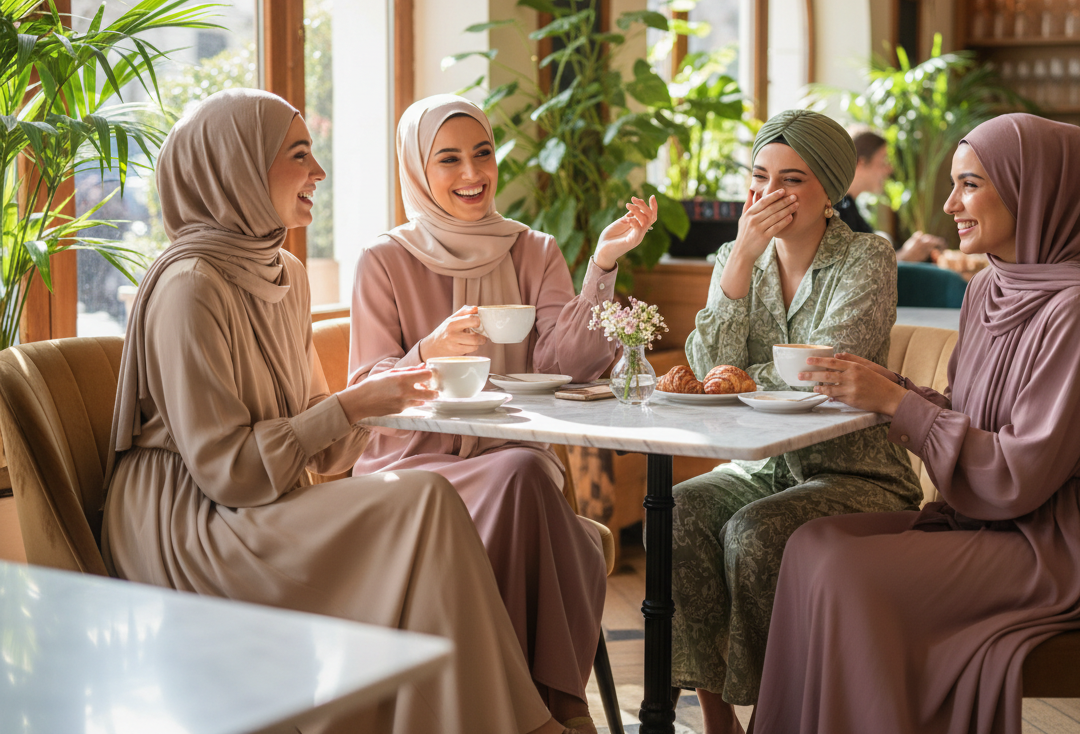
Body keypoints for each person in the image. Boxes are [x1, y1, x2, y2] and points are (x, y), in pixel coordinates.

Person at [102, 89, 577, 734]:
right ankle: (528, 724)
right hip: (193, 521)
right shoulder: (190, 286)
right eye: (299, 155)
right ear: (240, 168)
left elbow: (320, 451)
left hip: (263, 498)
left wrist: (361, 410)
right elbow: (227, 471)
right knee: (427, 500)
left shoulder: (285, 273)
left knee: (427, 505)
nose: (318, 173)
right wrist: (352, 405)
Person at [753, 114, 1080, 734]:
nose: (949, 204)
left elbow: (1024, 469)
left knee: (849, 572)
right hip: (992, 520)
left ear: (1032, 191)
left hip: (1056, 544)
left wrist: (894, 405)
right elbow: (971, 417)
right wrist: (891, 388)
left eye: (969, 184)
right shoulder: (988, 287)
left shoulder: (1079, 308)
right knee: (808, 546)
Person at [349, 95, 658, 734]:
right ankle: (554, 708)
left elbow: (569, 362)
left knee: (521, 472)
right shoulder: (384, 260)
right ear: (416, 168)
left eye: (483, 153)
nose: (472, 173)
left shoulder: (533, 250)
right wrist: (426, 353)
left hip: (513, 458)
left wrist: (603, 263)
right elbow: (365, 391)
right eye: (449, 159)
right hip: (413, 467)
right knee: (523, 478)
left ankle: (518, 711)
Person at [671, 109, 923, 734]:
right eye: (760, 177)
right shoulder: (737, 256)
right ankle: (716, 718)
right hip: (765, 468)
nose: (769, 195)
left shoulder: (867, 257)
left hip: (857, 474)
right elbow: (708, 369)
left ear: (833, 189)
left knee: (754, 534)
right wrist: (738, 265)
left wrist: (744, 371)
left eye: (793, 179)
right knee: (676, 510)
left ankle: (775, 719)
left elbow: (829, 371)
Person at [836, 128, 947, 262]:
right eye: (883, 162)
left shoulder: (849, 206)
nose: (890, 169)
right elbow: (855, 273)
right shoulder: (835, 211)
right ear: (861, 163)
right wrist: (904, 257)